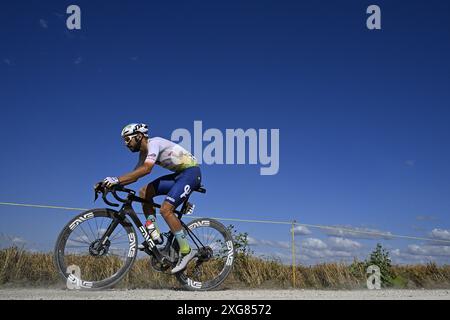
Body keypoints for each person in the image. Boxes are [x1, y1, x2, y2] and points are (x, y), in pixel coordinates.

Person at [101, 123, 201, 273]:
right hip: (178, 176)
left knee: (166, 210)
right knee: (144, 192)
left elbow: (147, 169)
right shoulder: (143, 153)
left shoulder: (154, 143)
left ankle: (187, 251)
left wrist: (117, 179)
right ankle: (154, 235)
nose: (125, 144)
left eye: (128, 140)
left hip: (191, 173)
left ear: (139, 136)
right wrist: (109, 184)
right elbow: (135, 176)